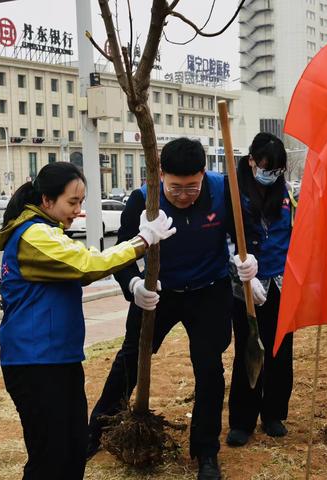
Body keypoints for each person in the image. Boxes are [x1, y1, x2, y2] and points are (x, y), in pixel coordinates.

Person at [0, 161, 176, 480]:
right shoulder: (33, 234)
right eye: (72, 202)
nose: (78, 211)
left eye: (81, 202)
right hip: (33, 363)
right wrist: (141, 241)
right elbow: (89, 265)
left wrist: (138, 281)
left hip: (59, 359)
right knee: (49, 456)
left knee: (75, 448)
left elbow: (82, 271)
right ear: (47, 201)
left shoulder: (48, 232)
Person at [88, 138, 257, 480]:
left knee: (209, 370)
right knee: (131, 360)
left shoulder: (225, 191)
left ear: (203, 174)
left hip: (208, 291)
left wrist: (248, 261)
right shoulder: (141, 199)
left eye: (191, 187)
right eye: (175, 188)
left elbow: (245, 236)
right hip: (158, 292)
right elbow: (123, 252)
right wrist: (134, 285)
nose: (183, 195)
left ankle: (206, 451)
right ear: (161, 174)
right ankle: (95, 432)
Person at [226, 132, 296, 448]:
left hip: (281, 283)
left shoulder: (287, 194)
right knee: (249, 348)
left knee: (280, 350)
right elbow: (227, 236)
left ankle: (273, 414)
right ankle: (242, 420)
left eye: (277, 170)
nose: (271, 175)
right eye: (266, 167)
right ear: (252, 161)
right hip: (246, 284)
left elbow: (294, 234)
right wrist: (240, 266)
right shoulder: (234, 191)